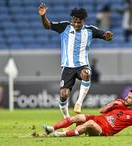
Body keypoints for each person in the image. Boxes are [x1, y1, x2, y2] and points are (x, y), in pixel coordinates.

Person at [38, 3, 113, 132]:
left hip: (82, 65)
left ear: (84, 21)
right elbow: (47, 25)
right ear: (72, 19)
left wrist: (108, 37)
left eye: (79, 22)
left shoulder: (90, 30)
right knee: (63, 95)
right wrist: (43, 16)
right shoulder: (64, 27)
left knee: (86, 74)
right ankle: (66, 118)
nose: (76, 24)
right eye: (75, 21)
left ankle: (79, 103)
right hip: (68, 67)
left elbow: (105, 37)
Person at [43, 89, 132, 137]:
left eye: (129, 98)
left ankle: (63, 134)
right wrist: (111, 105)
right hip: (98, 119)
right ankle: (51, 129)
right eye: (127, 96)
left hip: (104, 130)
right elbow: (101, 111)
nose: (126, 98)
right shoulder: (119, 102)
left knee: (90, 124)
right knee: (78, 117)